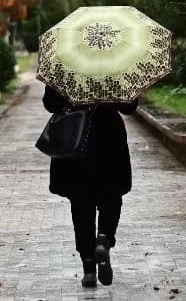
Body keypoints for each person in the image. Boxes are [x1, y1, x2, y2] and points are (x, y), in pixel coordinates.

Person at [42, 85, 138, 288]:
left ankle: (88, 267)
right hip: (109, 138)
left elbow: (50, 104)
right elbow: (129, 107)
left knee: (80, 204)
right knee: (111, 195)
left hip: (76, 138)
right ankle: (104, 239)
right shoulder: (115, 64)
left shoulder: (66, 63)